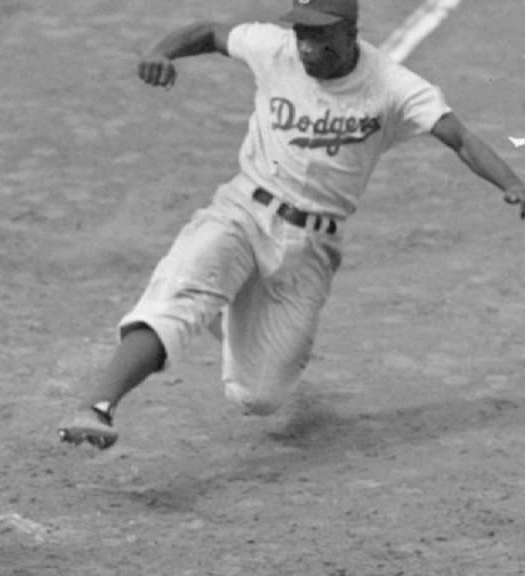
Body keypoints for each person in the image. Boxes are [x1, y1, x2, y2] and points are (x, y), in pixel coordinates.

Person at [58, 0, 525, 450]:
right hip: (242, 212)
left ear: (349, 32)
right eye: (302, 32)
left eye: (320, 34)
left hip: (312, 250)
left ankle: (227, 313)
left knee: (259, 396)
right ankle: (97, 407)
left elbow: (459, 137)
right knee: (179, 295)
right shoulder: (273, 47)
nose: (305, 46)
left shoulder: (393, 86)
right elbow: (209, 33)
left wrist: (512, 183)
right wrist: (161, 51)